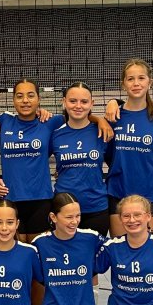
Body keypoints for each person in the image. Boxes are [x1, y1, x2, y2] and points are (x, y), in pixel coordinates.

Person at [0, 78, 113, 305]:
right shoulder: (25, 125)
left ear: (39, 100)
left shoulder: (56, 124)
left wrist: (102, 117)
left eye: (31, 95)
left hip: (75, 205)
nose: (25, 100)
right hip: (37, 203)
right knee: (23, 266)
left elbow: (85, 118)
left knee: (75, 270)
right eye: (20, 95)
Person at [103, 58, 153, 235]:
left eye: (141, 78)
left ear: (150, 82)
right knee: (119, 247)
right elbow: (106, 153)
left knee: (148, 247)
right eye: (130, 79)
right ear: (123, 84)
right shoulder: (113, 116)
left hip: (149, 191)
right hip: (118, 190)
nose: (136, 83)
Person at [52, 82, 109, 237]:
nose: (78, 106)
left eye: (84, 102)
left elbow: (119, 163)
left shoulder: (103, 131)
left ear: (92, 104)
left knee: (96, 252)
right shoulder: (55, 134)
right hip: (64, 209)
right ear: (64, 102)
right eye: (73, 101)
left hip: (96, 207)